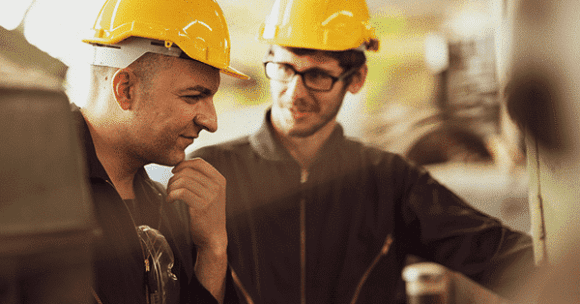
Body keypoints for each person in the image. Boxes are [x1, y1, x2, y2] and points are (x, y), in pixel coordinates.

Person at [189, 0, 537, 303]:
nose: (295, 92)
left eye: (318, 76)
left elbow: (498, 255)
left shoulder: (389, 181)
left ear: (355, 80)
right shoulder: (214, 172)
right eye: (283, 69)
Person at [77, 0, 248, 303]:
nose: (211, 122)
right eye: (194, 96)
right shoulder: (31, 197)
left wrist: (212, 250)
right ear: (125, 89)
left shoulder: (170, 207)